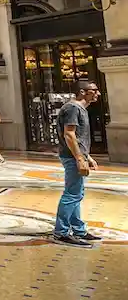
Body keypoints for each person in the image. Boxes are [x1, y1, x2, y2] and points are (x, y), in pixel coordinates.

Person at [52, 80, 101, 248]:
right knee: (72, 194)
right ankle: (61, 232)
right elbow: (69, 135)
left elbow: (77, 137)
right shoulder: (73, 108)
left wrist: (87, 156)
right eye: (93, 90)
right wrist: (80, 158)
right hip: (72, 156)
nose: (97, 93)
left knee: (76, 193)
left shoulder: (80, 109)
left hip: (76, 155)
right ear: (82, 92)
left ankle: (79, 230)